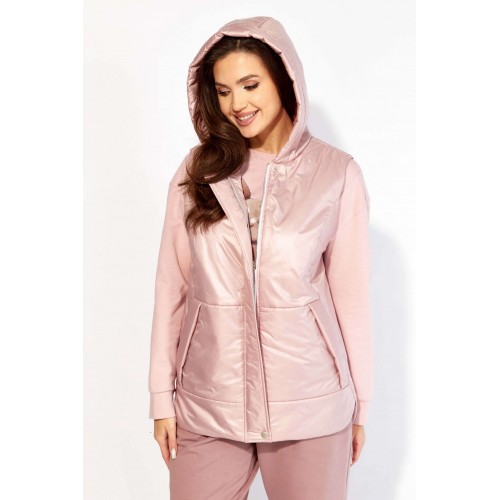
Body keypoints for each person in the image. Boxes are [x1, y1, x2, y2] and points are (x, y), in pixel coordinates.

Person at [148, 15, 374, 499]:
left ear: (284, 79)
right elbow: (172, 287)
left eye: (250, 85)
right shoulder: (197, 171)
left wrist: (361, 404)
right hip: (209, 401)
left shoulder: (337, 174)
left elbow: (351, 299)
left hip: (309, 405)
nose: (237, 104)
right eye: (223, 91)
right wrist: (161, 396)